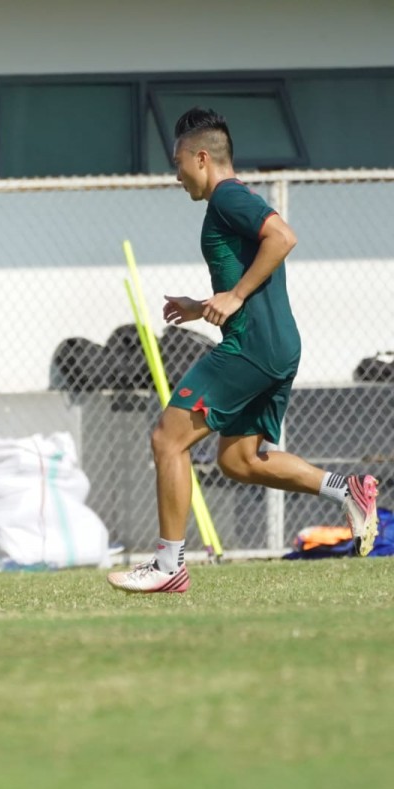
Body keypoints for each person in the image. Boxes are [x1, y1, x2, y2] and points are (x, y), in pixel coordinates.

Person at [108, 107, 379, 594]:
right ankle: (348, 491)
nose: (175, 174)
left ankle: (169, 565)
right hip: (276, 345)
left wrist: (233, 299)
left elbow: (283, 237)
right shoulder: (231, 201)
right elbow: (251, 263)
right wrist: (203, 304)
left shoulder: (227, 197)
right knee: (238, 460)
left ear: (202, 158)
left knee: (168, 439)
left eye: (178, 163)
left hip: (251, 345)